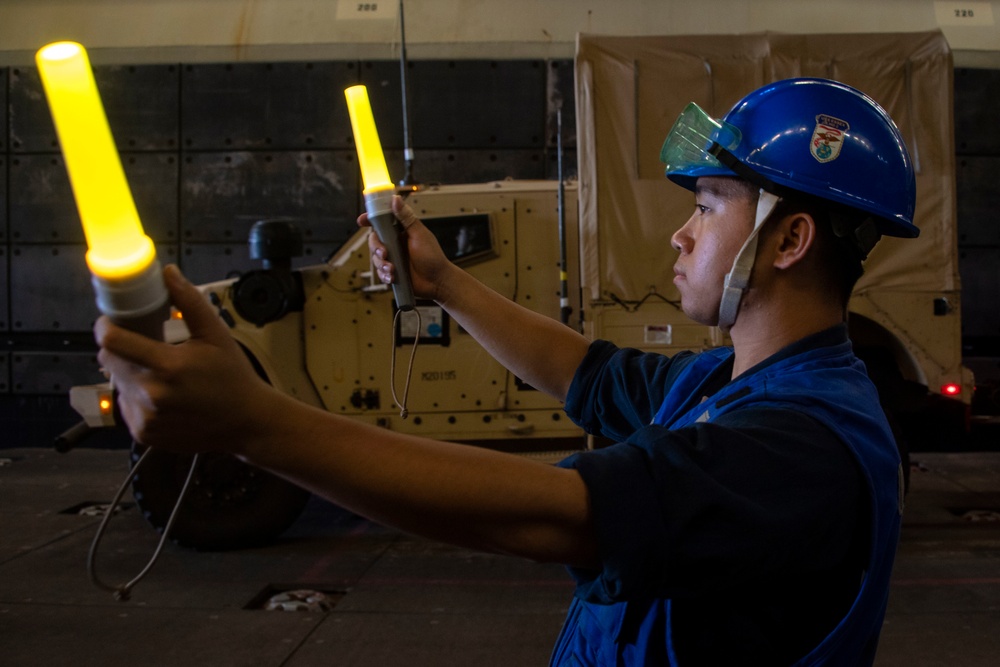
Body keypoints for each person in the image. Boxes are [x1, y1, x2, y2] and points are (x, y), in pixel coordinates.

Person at [96, 78, 915, 666]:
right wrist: (446, 280)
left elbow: (559, 515)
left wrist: (255, 423)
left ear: (789, 240)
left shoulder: (805, 448)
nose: (681, 234)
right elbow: (587, 372)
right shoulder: (721, 381)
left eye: (706, 205)